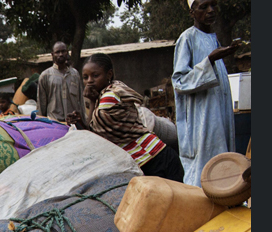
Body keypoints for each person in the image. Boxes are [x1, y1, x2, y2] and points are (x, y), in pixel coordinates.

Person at [68, 54, 185, 182]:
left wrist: (91, 101)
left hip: (155, 159)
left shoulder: (109, 98)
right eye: (85, 77)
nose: (89, 81)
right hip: (152, 158)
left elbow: (95, 137)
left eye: (95, 76)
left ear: (109, 74)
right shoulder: (113, 89)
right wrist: (80, 121)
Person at [173, 0, 240, 186]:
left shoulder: (212, 38)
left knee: (224, 163)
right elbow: (179, 81)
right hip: (202, 119)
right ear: (192, 12)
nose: (210, 10)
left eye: (213, 5)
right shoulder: (187, 38)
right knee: (203, 170)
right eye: (203, 7)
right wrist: (210, 60)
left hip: (219, 113)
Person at [37, 41, 83, 122]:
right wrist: (41, 123)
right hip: (54, 122)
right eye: (57, 52)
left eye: (63, 51)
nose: (61, 54)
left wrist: (84, 122)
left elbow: (81, 101)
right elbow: (41, 105)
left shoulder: (75, 74)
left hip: (73, 123)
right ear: (52, 54)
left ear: (67, 52)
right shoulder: (45, 76)